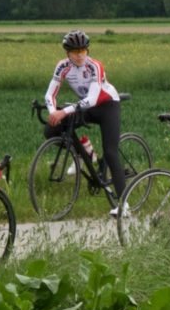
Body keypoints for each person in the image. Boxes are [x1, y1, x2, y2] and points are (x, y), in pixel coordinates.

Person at [44, 30, 126, 216]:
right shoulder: (62, 66)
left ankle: (123, 204)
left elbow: (91, 99)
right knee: (51, 130)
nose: (80, 55)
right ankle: (84, 152)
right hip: (85, 107)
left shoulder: (95, 66)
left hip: (106, 106)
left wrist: (63, 111)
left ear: (87, 50)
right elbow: (50, 94)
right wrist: (53, 113)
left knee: (111, 152)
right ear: (68, 53)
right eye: (75, 52)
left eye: (83, 50)